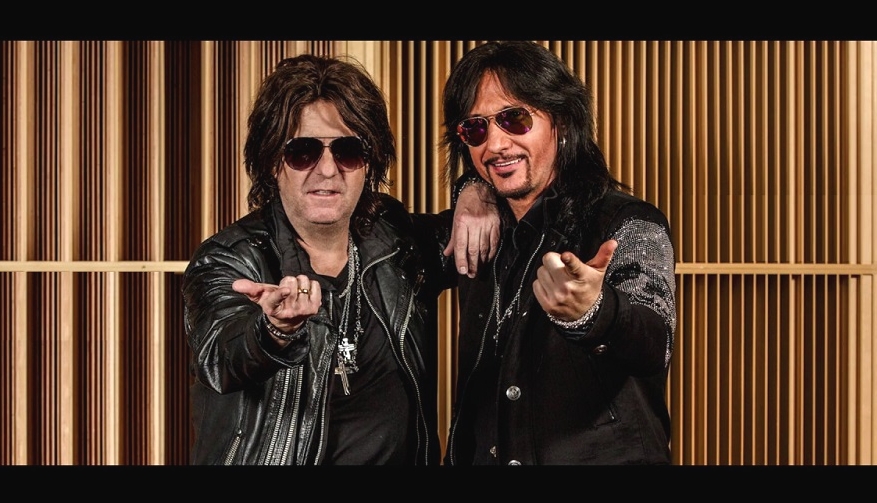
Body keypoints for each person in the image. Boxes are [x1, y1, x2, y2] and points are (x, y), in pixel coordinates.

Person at [182, 53, 498, 465]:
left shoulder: (401, 245)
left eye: (348, 151)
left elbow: (507, 221)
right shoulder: (230, 259)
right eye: (303, 152)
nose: (328, 170)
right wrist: (273, 331)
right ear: (272, 162)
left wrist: (476, 189)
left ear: (369, 162)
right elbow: (219, 358)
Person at [441, 40, 677, 465]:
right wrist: (469, 188)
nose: (495, 145)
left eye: (514, 119)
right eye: (475, 129)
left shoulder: (627, 221)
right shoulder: (476, 229)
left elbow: (654, 340)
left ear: (562, 121)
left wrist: (597, 312)